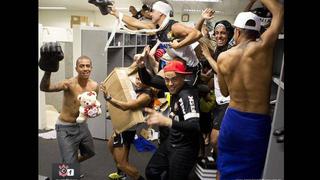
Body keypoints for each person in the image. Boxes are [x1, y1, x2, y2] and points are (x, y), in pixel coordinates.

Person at [215, 0, 283, 179]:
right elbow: (279, 12)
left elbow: (224, 92)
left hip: (232, 121)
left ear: (236, 31)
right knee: (251, 173)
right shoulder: (264, 46)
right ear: (258, 32)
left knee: (224, 169)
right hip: (255, 124)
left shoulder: (223, 57)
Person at [108, 1, 202, 86]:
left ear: (161, 13)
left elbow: (197, 34)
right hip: (176, 65)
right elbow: (135, 22)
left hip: (190, 68)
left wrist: (178, 45)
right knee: (154, 82)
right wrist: (116, 13)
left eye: (153, 11)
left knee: (186, 92)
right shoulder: (157, 28)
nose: (150, 13)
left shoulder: (174, 26)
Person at [39, 43, 97, 177]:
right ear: (76, 68)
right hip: (65, 128)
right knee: (70, 166)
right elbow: (45, 88)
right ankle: (69, 171)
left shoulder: (94, 86)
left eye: (88, 66)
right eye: (81, 66)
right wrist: (48, 70)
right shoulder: (69, 83)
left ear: (91, 68)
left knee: (90, 153)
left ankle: (66, 170)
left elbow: (90, 106)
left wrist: (93, 110)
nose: (85, 68)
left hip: (82, 126)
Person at [142, 60, 201, 180]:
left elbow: (195, 126)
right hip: (172, 140)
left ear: (183, 77)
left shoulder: (187, 95)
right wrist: (141, 66)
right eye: (167, 79)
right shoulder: (172, 85)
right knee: (152, 171)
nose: (170, 84)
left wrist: (168, 122)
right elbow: (148, 80)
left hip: (185, 147)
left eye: (174, 79)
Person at [101, 74, 154, 180]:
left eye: (141, 80)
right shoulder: (138, 89)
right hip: (122, 125)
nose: (138, 82)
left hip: (128, 129)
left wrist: (109, 98)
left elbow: (126, 106)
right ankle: (121, 174)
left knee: (122, 164)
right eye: (137, 79)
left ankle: (134, 176)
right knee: (111, 145)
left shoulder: (146, 96)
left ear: (147, 81)